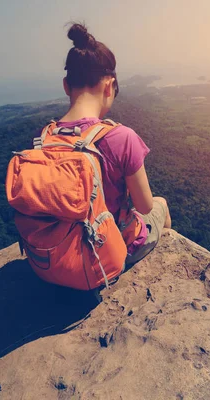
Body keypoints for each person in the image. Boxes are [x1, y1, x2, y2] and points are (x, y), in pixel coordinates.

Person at [56, 22, 171, 267]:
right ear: (109, 85)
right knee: (161, 204)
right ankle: (167, 254)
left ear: (66, 85)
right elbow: (144, 205)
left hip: (58, 256)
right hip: (109, 251)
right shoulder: (121, 137)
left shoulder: (44, 137)